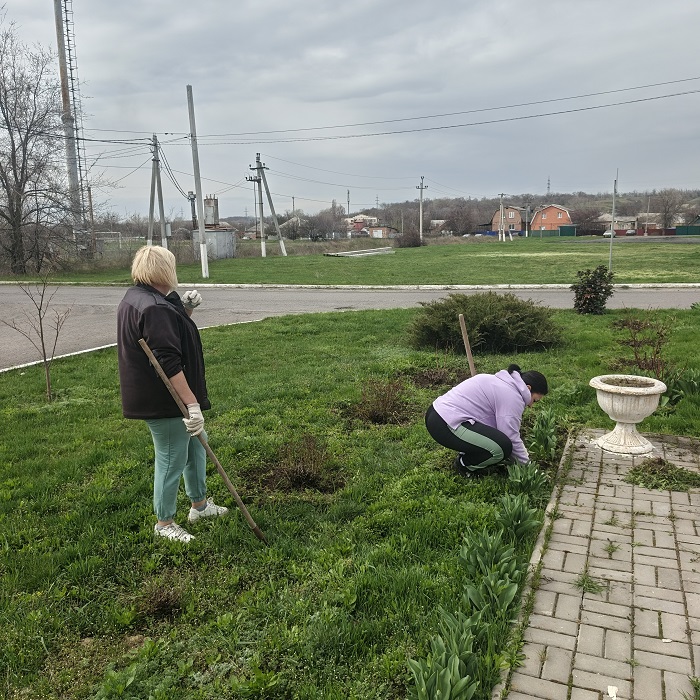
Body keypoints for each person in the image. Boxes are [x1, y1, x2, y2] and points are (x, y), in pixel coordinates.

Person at [117, 245, 228, 542]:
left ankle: (199, 506)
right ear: (164, 270)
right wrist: (192, 405)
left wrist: (186, 309)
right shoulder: (153, 307)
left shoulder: (141, 298)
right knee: (171, 457)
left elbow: (168, 332)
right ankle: (164, 523)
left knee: (197, 446)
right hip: (164, 399)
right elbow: (167, 362)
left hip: (164, 395)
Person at [424, 364, 548, 477]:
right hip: (444, 423)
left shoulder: (501, 381)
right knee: (503, 447)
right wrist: (529, 468)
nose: (531, 405)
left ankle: (471, 455)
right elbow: (511, 437)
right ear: (528, 388)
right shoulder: (513, 397)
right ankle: (464, 465)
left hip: (436, 412)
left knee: (496, 439)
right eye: (534, 400)